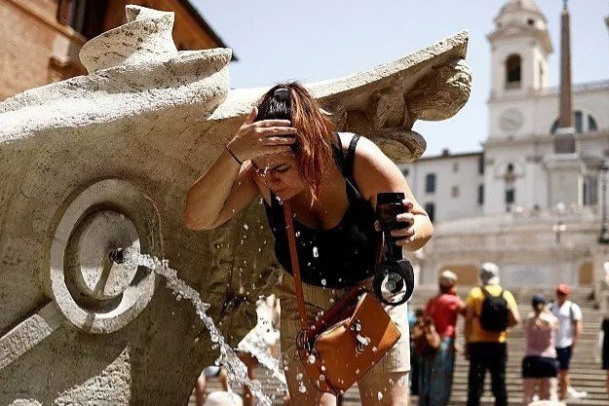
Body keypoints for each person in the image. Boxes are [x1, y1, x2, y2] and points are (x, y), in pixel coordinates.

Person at [183, 82, 433, 406]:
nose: (270, 178)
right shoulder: (262, 171)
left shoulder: (357, 157)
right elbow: (197, 218)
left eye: (281, 168)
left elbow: (424, 223)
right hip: (304, 302)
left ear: (311, 148)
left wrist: (411, 230)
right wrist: (235, 152)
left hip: (373, 295)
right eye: (260, 167)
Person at [464, 262, 520, 406]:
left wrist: (467, 342)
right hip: (498, 344)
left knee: (475, 385)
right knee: (499, 383)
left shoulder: (475, 294)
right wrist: (503, 326)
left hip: (478, 344)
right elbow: (516, 319)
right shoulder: (506, 294)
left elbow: (468, 320)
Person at [417, 270, 465, 406]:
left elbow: (425, 319)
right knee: (442, 378)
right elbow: (469, 313)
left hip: (430, 341)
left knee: (428, 376)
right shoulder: (453, 301)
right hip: (445, 341)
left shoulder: (432, 301)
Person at [549, 284, 586, 400]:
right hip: (552, 345)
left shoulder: (572, 308)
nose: (561, 296)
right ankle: (553, 397)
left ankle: (563, 398)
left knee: (564, 373)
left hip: (565, 344)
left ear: (567, 295)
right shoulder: (551, 307)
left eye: (563, 294)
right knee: (552, 374)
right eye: (559, 293)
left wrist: (574, 342)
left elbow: (578, 325)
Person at [522, 294, 559, 405]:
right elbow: (555, 326)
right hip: (548, 357)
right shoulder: (551, 318)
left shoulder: (529, 319)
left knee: (528, 394)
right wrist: (546, 311)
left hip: (531, 357)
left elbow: (526, 324)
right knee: (551, 393)